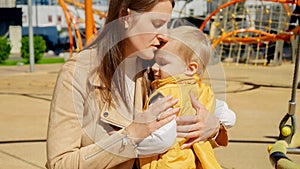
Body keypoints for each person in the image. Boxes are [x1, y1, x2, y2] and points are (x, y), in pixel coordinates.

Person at [46, 0, 234, 168]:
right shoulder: (79, 73)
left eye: (167, 25)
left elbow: (192, 122)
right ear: (125, 17)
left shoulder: (157, 67)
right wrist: (131, 137)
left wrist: (213, 128)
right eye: (157, 24)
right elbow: (60, 163)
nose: (165, 35)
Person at [138, 26, 228, 169]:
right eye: (155, 61)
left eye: (163, 63)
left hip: (166, 163)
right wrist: (215, 124)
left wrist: (131, 146)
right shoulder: (204, 91)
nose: (154, 67)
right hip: (191, 161)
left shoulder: (164, 94)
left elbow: (162, 140)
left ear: (190, 68)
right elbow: (230, 117)